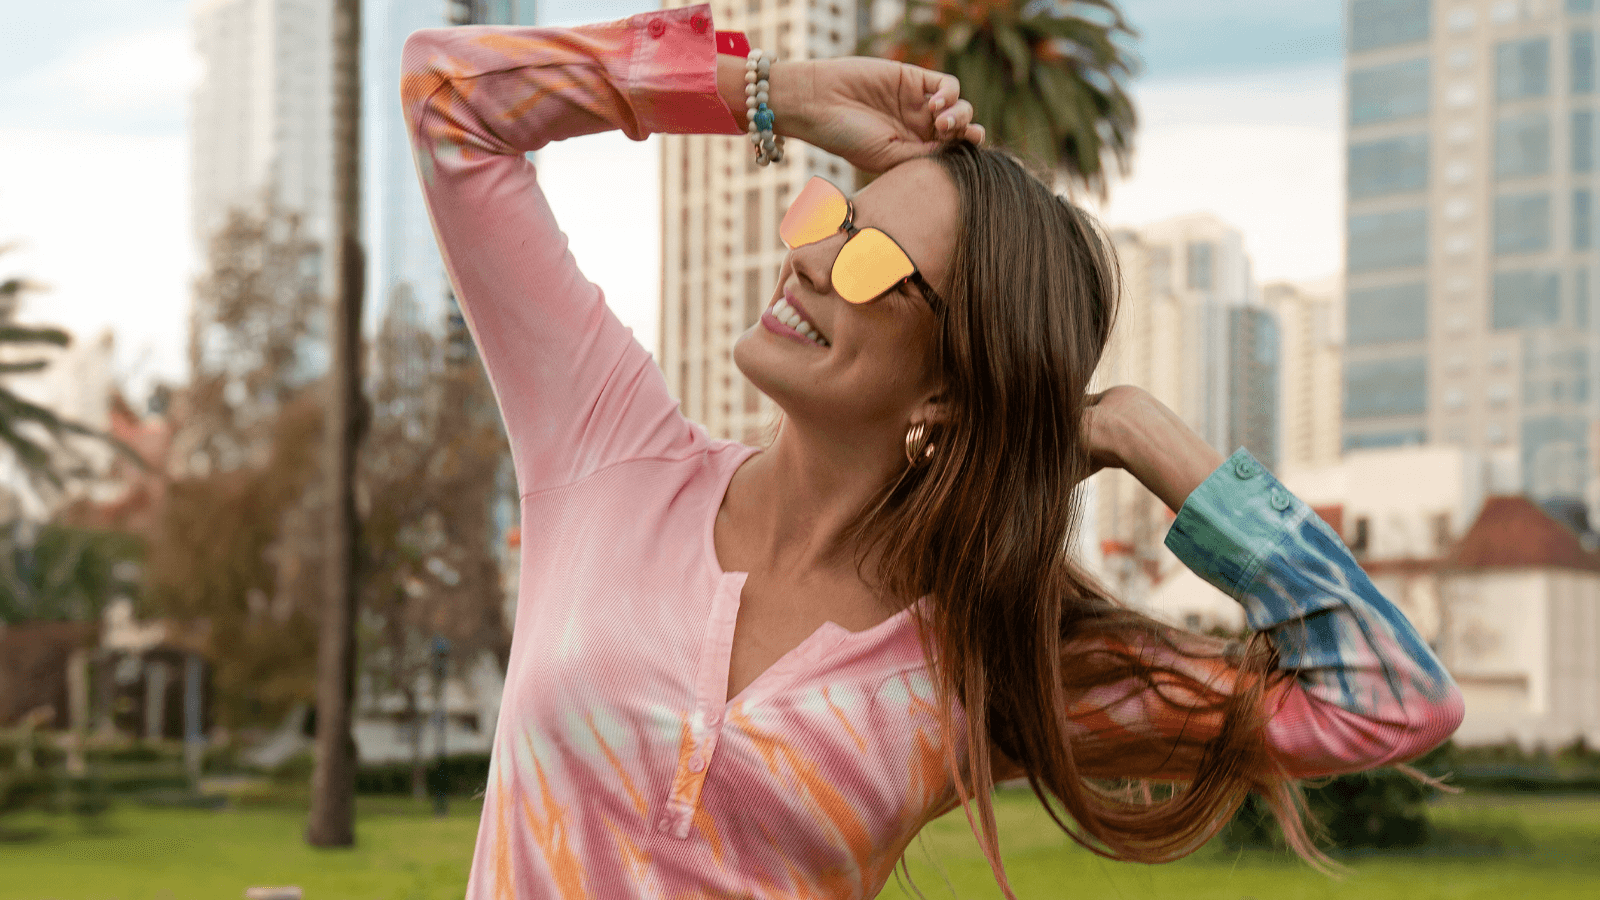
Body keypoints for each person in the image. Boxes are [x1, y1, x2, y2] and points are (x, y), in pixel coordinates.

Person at [400, 5, 1464, 898]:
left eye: (874, 264)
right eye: (831, 217)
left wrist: (1138, 430)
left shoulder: (987, 658)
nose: (813, 260)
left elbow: (1389, 700)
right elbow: (451, 101)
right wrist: (777, 92)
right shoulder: (611, 456)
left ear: (955, 383)